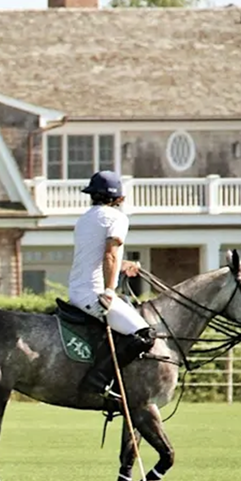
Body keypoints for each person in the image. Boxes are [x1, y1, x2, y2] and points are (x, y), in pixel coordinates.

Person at [68, 171, 156, 404]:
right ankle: (97, 380)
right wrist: (109, 290)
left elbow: (97, 256)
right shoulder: (117, 218)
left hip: (77, 291)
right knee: (145, 335)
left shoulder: (84, 219)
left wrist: (124, 266)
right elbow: (109, 255)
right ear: (118, 198)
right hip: (94, 294)